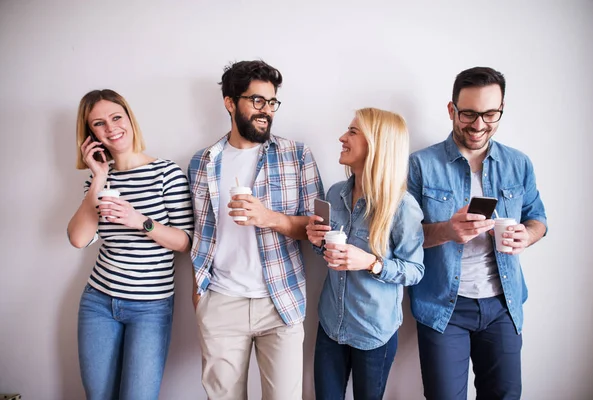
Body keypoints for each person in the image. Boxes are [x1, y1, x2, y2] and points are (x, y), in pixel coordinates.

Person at [408, 67, 548, 399]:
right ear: (451, 110)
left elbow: (538, 218)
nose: (479, 124)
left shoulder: (519, 163)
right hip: (444, 307)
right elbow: (401, 239)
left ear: (501, 111)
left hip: (503, 305)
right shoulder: (420, 165)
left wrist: (527, 236)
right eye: (469, 113)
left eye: (490, 114)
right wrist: (446, 231)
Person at [188, 60, 324, 400]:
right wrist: (199, 291)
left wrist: (269, 218)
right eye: (256, 101)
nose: (266, 111)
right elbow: (199, 232)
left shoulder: (297, 155)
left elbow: (318, 229)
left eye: (272, 102)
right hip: (220, 300)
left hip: (280, 301)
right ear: (230, 103)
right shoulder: (202, 161)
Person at [67, 89, 194, 400]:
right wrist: (98, 177)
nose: (111, 128)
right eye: (99, 123)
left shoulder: (166, 173)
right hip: (98, 301)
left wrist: (141, 221)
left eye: (116, 117)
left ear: (129, 119)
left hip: (150, 307)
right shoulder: (97, 182)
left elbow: (184, 242)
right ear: (90, 134)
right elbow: (78, 238)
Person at [306, 107, 425, 400]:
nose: (342, 137)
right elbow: (325, 249)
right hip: (331, 325)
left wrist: (371, 262)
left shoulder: (402, 207)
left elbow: (415, 271)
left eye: (353, 132)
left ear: (377, 144)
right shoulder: (335, 194)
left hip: (374, 335)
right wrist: (316, 239)